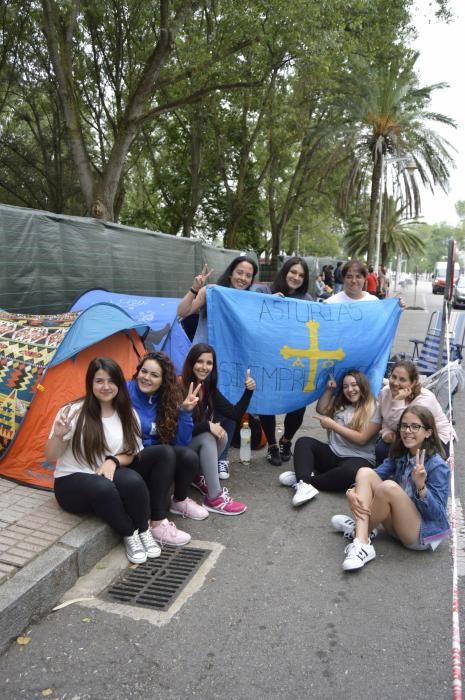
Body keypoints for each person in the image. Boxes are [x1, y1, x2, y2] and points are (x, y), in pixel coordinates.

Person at [46, 357, 162, 565]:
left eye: (111, 381)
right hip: (70, 482)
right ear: (90, 383)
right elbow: (51, 456)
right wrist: (58, 435)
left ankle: (145, 531)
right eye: (99, 381)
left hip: (105, 475)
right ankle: (130, 534)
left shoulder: (127, 413)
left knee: (133, 481)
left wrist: (113, 461)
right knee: (103, 488)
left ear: (119, 383)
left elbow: (132, 452)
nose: (106, 387)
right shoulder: (72, 411)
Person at [331, 406, 450, 572]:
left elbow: (437, 514)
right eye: (404, 426)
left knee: (389, 487)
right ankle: (361, 535)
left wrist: (421, 486)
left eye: (415, 427)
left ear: (428, 432)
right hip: (397, 526)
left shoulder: (437, 466)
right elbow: (372, 477)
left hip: (419, 534)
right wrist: (351, 491)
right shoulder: (402, 454)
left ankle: (360, 536)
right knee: (364, 472)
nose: (407, 431)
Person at [177, 255, 258, 479]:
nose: (242, 278)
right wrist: (195, 289)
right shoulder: (212, 292)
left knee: (229, 408)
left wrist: (276, 302)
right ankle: (191, 455)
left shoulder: (251, 301)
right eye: (239, 272)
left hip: (231, 362)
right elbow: (183, 313)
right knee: (196, 404)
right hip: (203, 361)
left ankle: (221, 459)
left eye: (248, 275)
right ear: (231, 273)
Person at [127, 351, 207, 546]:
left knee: (188, 456)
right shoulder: (125, 392)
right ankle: (156, 523)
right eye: (144, 372)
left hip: (155, 459)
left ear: (163, 381)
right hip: (128, 458)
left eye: (154, 375)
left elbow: (181, 443)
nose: (146, 378)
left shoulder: (165, 399)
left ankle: (179, 501)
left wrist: (185, 413)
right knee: (165, 451)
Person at [279, 370, 381, 506]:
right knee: (303, 442)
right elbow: (321, 409)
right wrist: (328, 390)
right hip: (333, 452)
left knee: (352, 473)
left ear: (363, 385)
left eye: (354, 385)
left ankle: (304, 480)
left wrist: (333, 425)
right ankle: (303, 481)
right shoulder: (341, 403)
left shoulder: (375, 407)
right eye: (345, 387)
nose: (350, 390)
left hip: (358, 458)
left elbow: (362, 439)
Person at [181, 343, 256, 514]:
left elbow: (234, 413)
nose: (204, 367)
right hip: (176, 448)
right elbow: (175, 431)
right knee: (208, 436)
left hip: (189, 448)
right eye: (200, 361)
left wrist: (249, 391)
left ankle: (198, 476)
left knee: (221, 435)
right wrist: (207, 425)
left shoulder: (207, 388)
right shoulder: (179, 386)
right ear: (191, 362)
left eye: (209, 363)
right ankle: (214, 498)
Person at [255, 257, 312, 465]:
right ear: (284, 271)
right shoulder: (264, 292)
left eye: (301, 275)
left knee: (298, 404)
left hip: (295, 360)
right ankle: (271, 444)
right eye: (293, 272)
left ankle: (286, 440)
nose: (296, 277)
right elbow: (246, 308)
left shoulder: (307, 299)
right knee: (265, 401)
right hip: (267, 358)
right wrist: (268, 303)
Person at [376, 360, 454, 464]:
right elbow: (385, 418)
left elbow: (404, 426)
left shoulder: (425, 399)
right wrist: (385, 432)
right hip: (405, 436)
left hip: (433, 439)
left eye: (402, 380)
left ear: (412, 383)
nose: (395, 383)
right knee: (382, 448)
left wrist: (398, 401)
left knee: (397, 454)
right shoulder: (385, 392)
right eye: (394, 377)